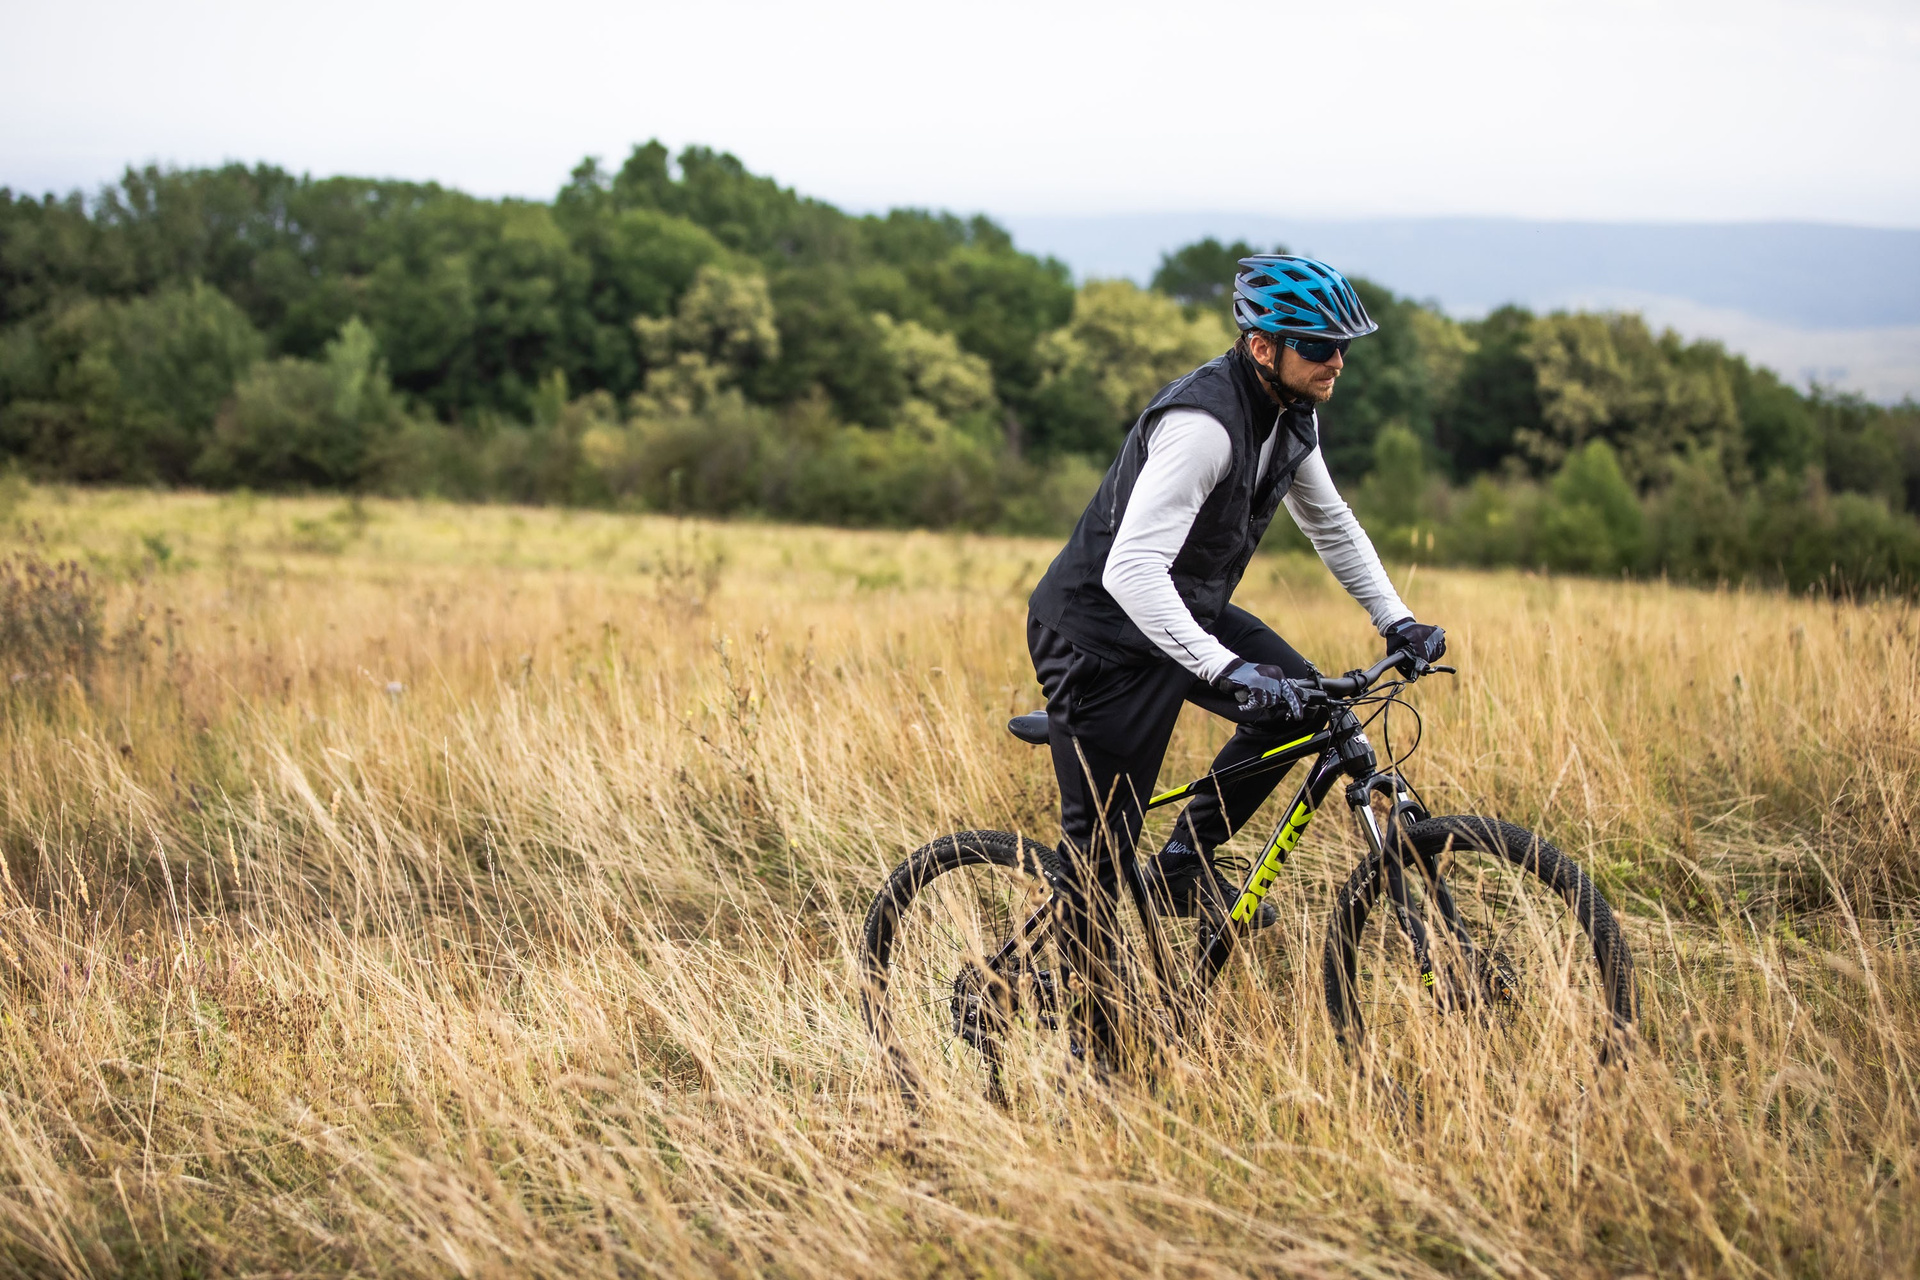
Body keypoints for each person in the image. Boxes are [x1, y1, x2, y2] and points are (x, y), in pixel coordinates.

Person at [1025, 255, 1446, 1061]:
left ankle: (1184, 859)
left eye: (1343, 345)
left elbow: (1331, 523)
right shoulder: (1205, 427)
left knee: (1308, 708)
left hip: (1185, 613)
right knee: (1099, 855)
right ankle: (1096, 1054)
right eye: (1319, 345)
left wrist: (1397, 620)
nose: (1337, 360)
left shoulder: (1290, 416)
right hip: (1099, 637)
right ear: (1263, 347)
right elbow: (1130, 571)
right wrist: (1226, 669)